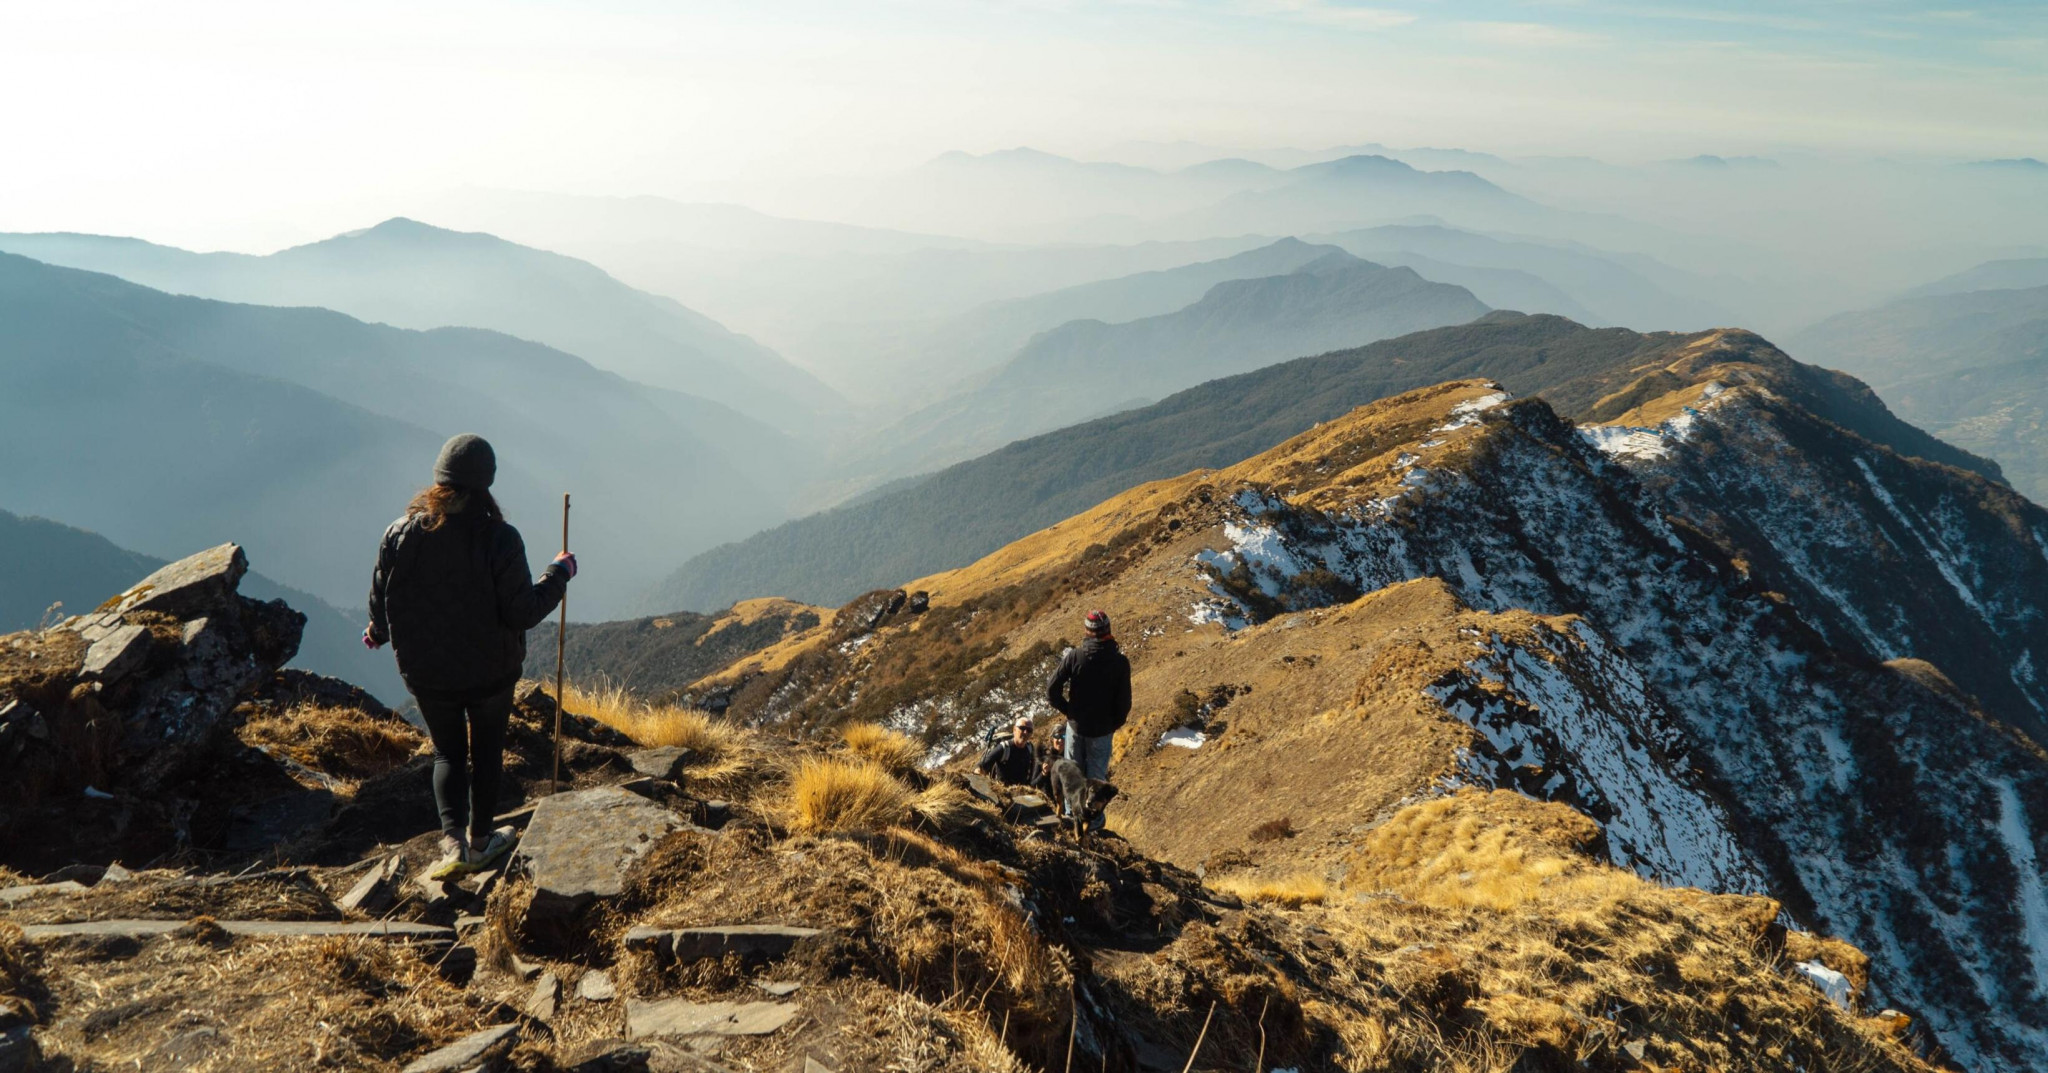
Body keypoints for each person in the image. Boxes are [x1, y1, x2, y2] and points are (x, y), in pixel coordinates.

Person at [365, 434, 576, 879]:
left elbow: (384, 595)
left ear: (440, 479)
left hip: (426, 674)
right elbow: (522, 611)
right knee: (486, 754)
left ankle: (451, 843)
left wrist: (378, 632)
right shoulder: (500, 538)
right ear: (487, 482)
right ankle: (481, 843)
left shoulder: (400, 533)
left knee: (447, 753)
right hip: (490, 674)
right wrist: (558, 573)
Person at [1045, 609, 1131, 794]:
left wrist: (1069, 711)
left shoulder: (1076, 656)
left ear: (1087, 631)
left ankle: (1071, 817)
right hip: (1102, 731)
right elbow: (1124, 703)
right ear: (1108, 630)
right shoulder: (1120, 662)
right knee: (1096, 780)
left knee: (1072, 777)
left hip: (1077, 727)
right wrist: (1112, 725)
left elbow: (1051, 689)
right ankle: (1094, 822)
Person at [976, 716, 1041, 786]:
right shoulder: (1004, 748)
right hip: (1003, 792)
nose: (1025, 732)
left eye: (1029, 730)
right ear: (1014, 729)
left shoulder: (1030, 748)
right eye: (1022, 728)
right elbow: (981, 768)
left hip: (1022, 791)